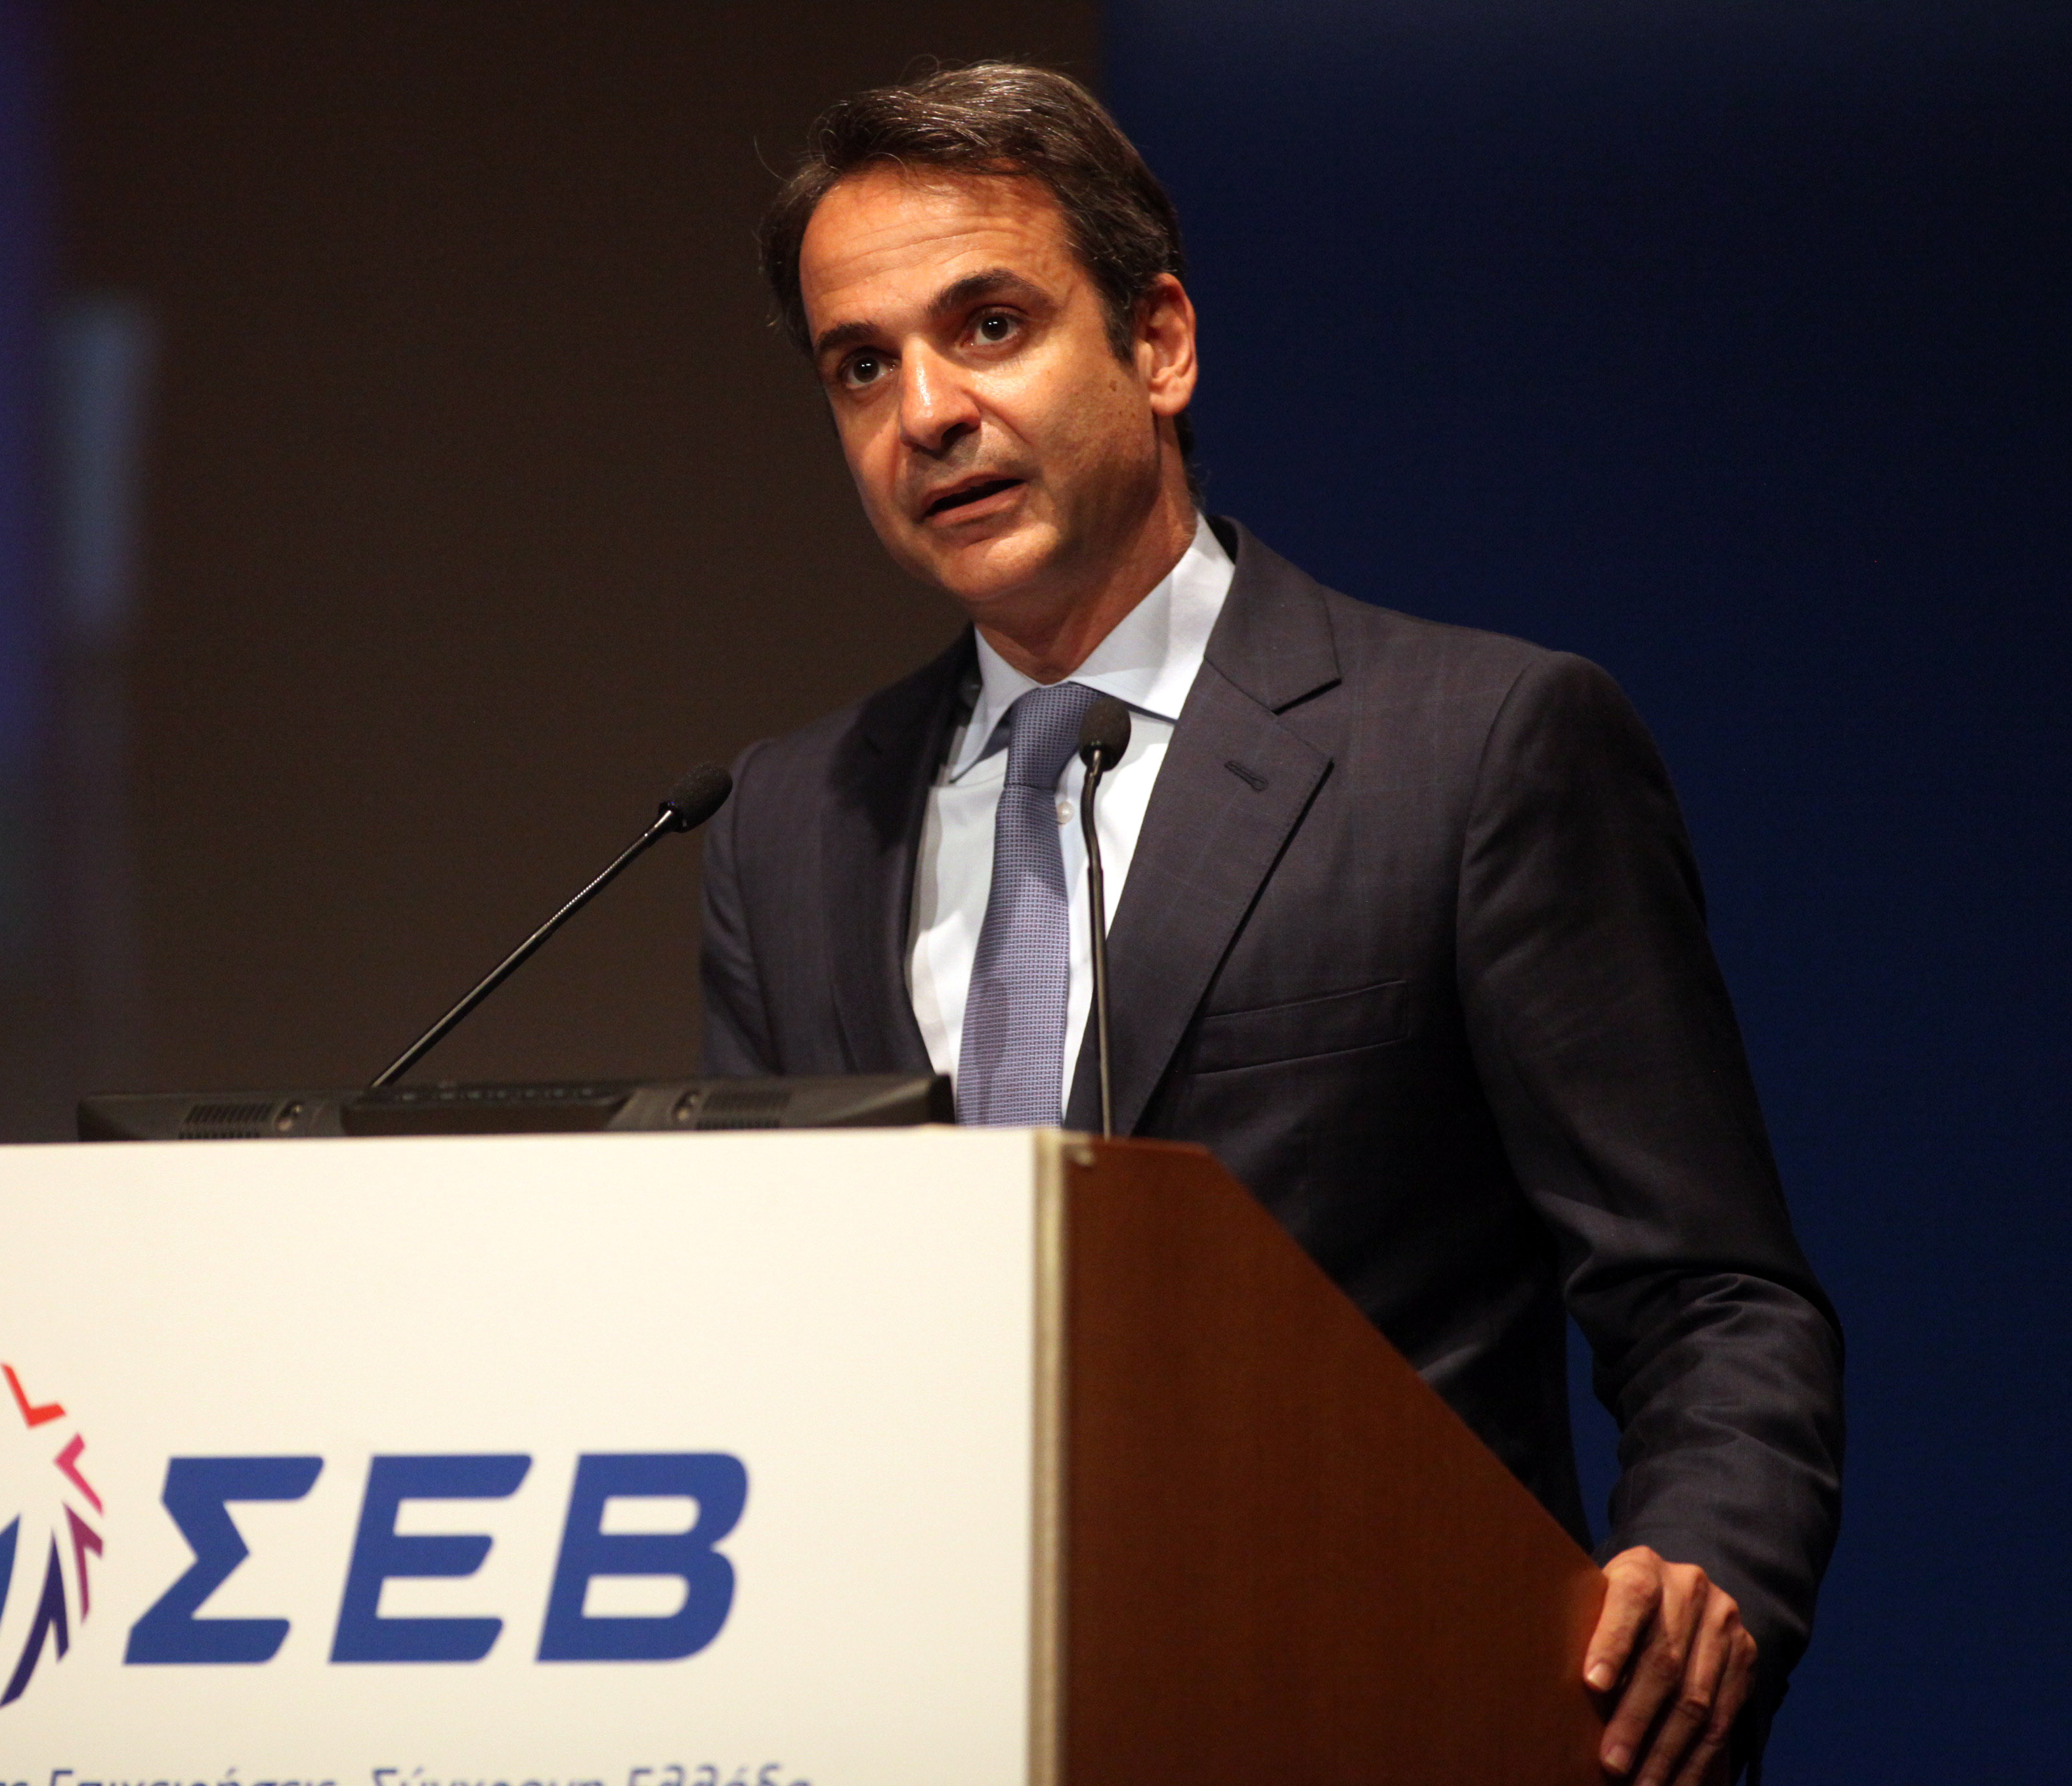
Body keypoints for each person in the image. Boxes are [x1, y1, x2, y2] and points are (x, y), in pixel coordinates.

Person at [701, 63, 1843, 1785]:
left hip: (1376, 1710)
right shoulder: (784, 827)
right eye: (861, 365)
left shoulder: (1472, 749)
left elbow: (1711, 1294)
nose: (924, 410)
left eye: (990, 325)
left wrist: (1707, 1572)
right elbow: (770, 1332)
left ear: (1159, 343)